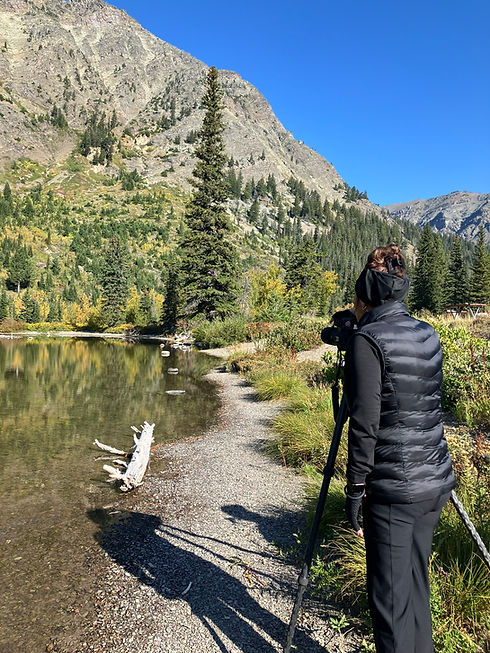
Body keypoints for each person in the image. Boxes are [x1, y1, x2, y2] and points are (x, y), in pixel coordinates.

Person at [343, 244, 456, 653]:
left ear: (368, 290)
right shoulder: (428, 332)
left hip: (393, 491)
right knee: (416, 591)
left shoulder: (368, 341)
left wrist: (355, 490)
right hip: (435, 483)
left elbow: (365, 426)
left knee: (390, 607)